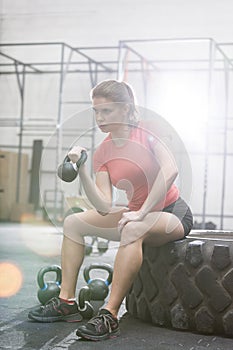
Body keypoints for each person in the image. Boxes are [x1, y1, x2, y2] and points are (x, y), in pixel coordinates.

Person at [28, 79, 193, 341]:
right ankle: (66, 302)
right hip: (135, 211)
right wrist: (82, 169)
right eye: (96, 111)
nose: (100, 117)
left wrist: (141, 213)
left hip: (171, 211)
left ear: (126, 109)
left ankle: (110, 314)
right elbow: (104, 206)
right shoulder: (103, 151)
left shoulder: (149, 131)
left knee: (133, 228)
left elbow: (170, 170)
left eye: (107, 111)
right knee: (73, 224)